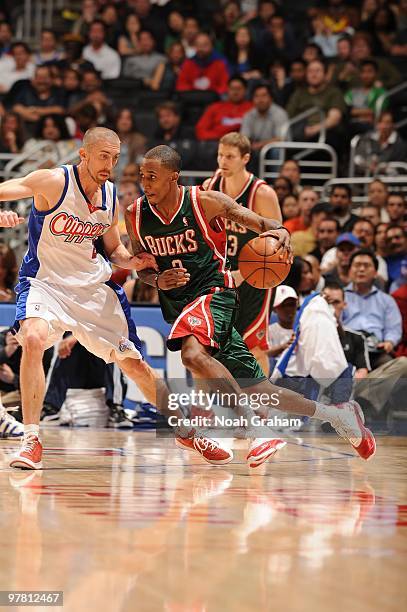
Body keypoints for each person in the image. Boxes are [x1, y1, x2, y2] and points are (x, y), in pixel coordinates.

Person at [126, 143, 376, 463]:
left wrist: (281, 232)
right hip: (180, 305)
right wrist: (156, 280)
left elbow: (261, 223)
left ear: (173, 177)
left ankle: (255, 428)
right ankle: (338, 416)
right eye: (142, 177)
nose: (144, 184)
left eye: (152, 177)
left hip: (214, 294)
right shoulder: (135, 215)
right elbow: (143, 267)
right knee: (260, 390)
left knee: (191, 354)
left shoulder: (205, 202)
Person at [0, 127, 215, 470]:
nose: (110, 165)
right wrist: (3, 214)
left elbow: (114, 248)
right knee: (35, 338)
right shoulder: (52, 182)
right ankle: (31, 438)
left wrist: (134, 262)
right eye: (103, 156)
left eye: (115, 158)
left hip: (91, 290)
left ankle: (187, 430)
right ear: (83, 154)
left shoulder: (110, 195)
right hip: (46, 284)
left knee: (136, 367)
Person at [202, 132, 281, 375]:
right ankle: (217, 409)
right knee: (211, 348)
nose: (223, 162)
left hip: (256, 276)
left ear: (245, 158)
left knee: (253, 347)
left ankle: (264, 409)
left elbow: (278, 245)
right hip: (221, 275)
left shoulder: (262, 193)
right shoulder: (209, 187)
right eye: (220, 155)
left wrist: (244, 273)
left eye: (230, 157)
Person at [343, 249, 402, 369]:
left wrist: (389, 342)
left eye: (366, 265)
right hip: (347, 349)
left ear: (375, 273)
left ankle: (365, 387)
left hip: (375, 350)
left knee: (401, 366)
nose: (361, 269)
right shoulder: (339, 296)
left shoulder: (386, 300)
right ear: (349, 271)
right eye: (357, 265)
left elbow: (393, 328)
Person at [196, 76, 252, 141]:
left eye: (239, 89)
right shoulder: (214, 108)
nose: (235, 92)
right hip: (217, 143)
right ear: (227, 90)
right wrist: (220, 138)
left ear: (245, 90)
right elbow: (200, 130)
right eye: (232, 89)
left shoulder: (252, 108)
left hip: (242, 144)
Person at [240, 83, 289, 152]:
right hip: (254, 149)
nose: (260, 100)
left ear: (271, 98)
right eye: (256, 96)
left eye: (264, 95)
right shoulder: (249, 115)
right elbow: (244, 138)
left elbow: (281, 139)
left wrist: (260, 145)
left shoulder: (280, 114)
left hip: (273, 149)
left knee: (276, 150)